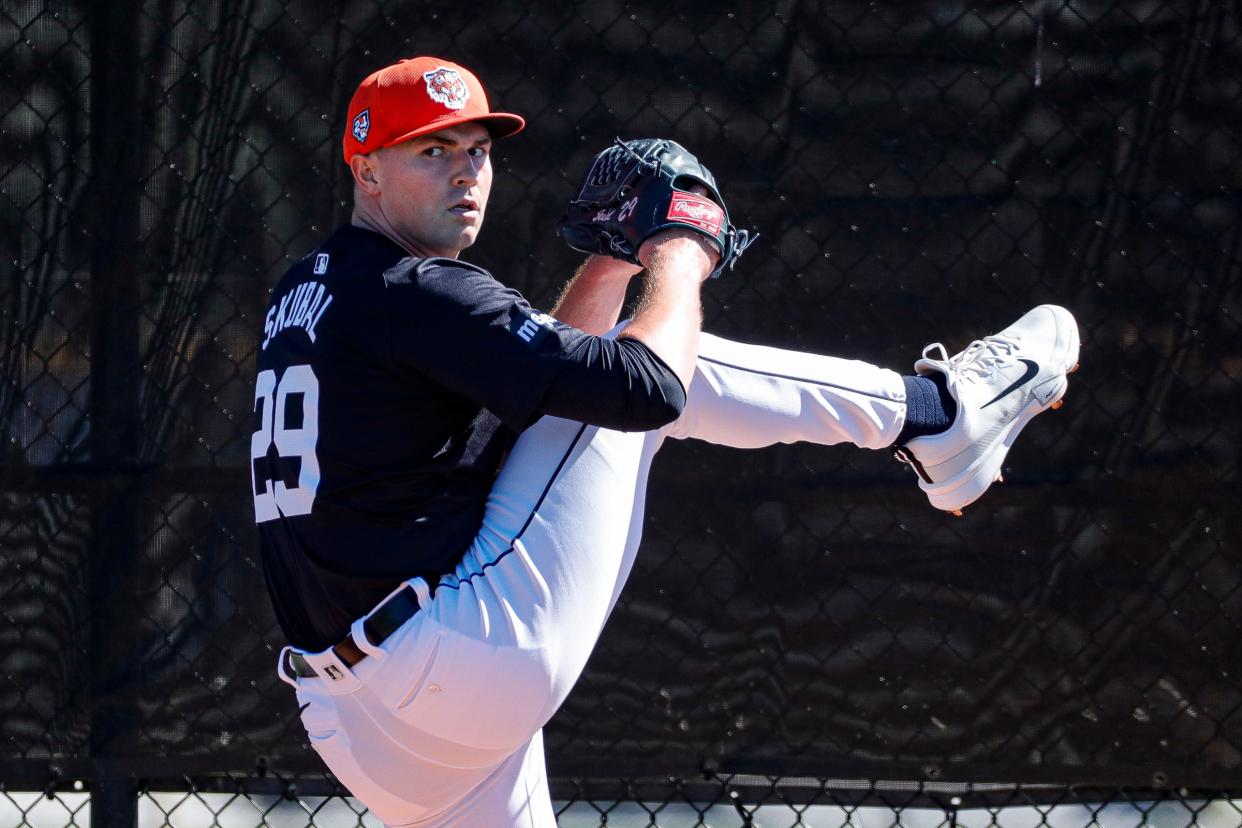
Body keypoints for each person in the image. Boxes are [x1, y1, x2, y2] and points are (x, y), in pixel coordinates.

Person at [251, 56, 1080, 827]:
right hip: (459, 661)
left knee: (609, 375)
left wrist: (612, 263)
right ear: (365, 169)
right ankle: (940, 414)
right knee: (668, 362)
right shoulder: (420, 291)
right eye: (432, 151)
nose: (467, 171)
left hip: (356, 725)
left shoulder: (318, 289)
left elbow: (543, 396)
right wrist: (676, 250)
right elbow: (644, 389)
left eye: (476, 149)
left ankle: (938, 423)